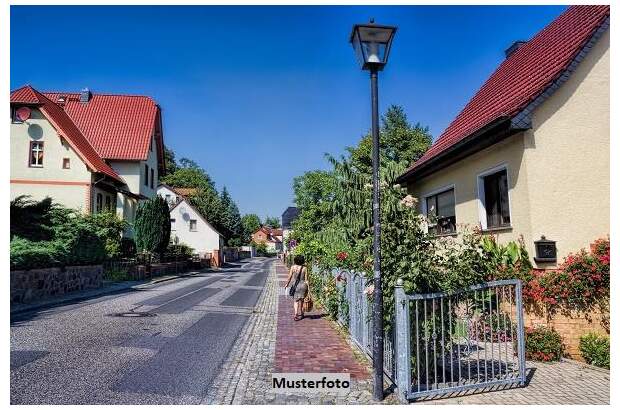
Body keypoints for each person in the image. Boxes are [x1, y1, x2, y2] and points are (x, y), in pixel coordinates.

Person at [284, 255, 309, 321]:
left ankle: (296, 314)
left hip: (296, 285)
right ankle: (302, 313)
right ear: (302, 261)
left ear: (295, 260)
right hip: (303, 285)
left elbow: (289, 277)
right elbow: (306, 279)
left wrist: (287, 284)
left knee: (296, 301)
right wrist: (308, 287)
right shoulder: (305, 268)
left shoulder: (293, 267)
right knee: (302, 300)